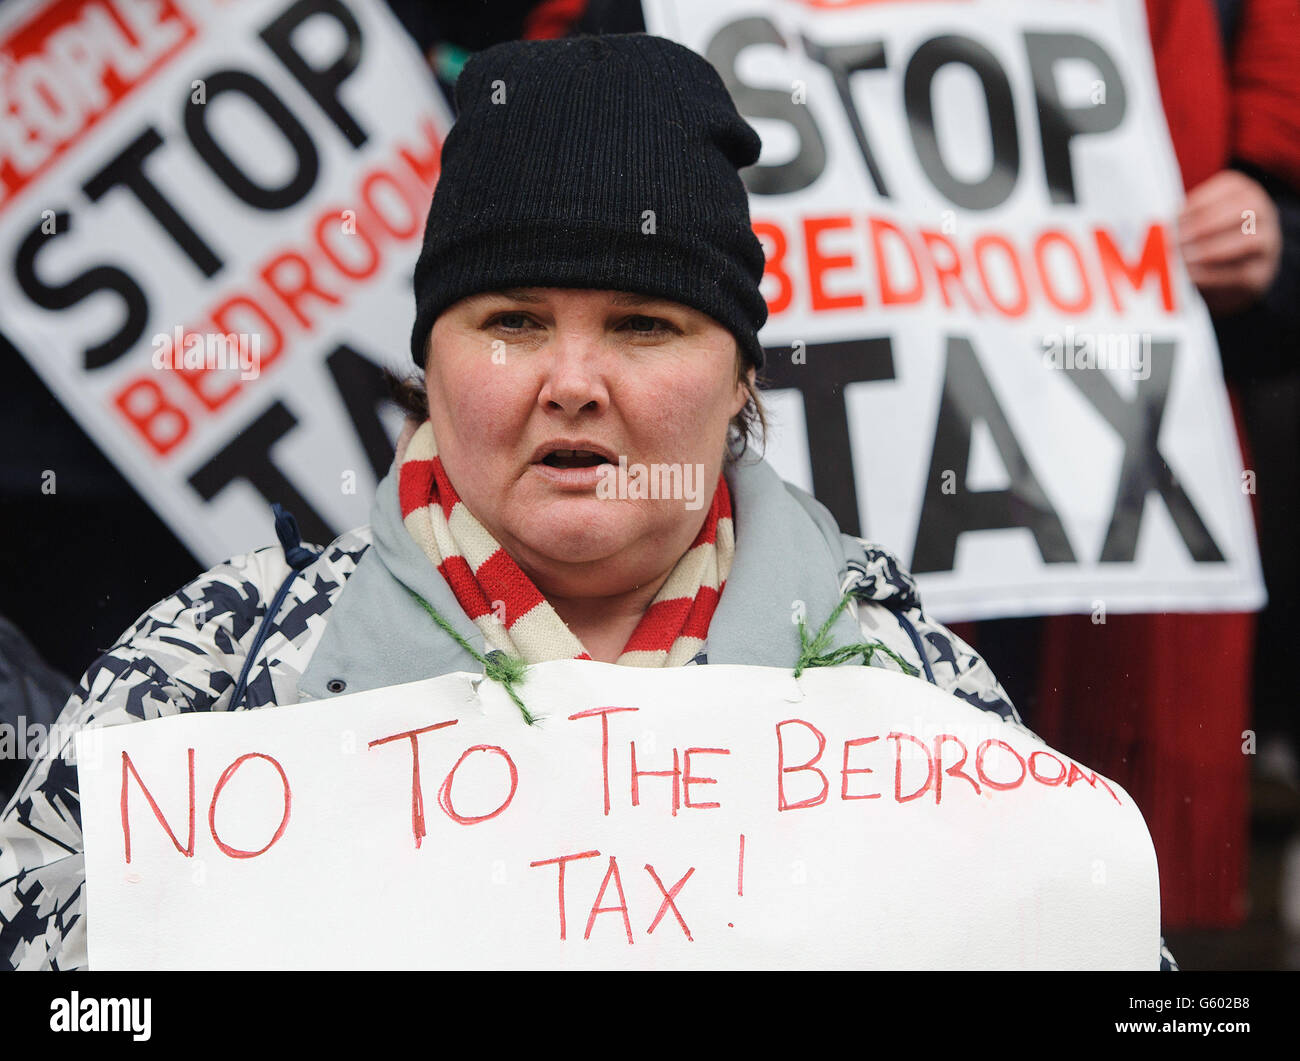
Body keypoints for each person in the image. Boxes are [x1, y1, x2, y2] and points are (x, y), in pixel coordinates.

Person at [0, 33, 1154, 970]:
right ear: (429, 362)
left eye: (645, 325)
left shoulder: (921, 695)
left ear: (741, 374)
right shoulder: (210, 675)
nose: (571, 382)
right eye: (510, 322)